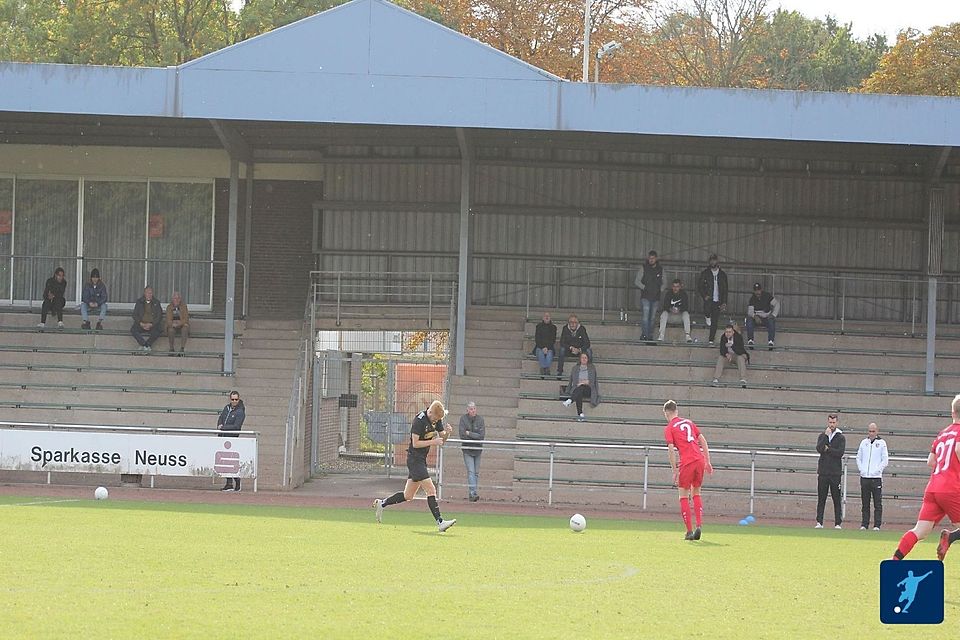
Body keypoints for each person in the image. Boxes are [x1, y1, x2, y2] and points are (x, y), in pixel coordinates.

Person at [892, 394, 960, 561]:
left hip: (934, 487)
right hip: (952, 487)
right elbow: (958, 450)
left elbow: (931, 461)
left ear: (952, 412)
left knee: (920, 530)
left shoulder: (942, 433)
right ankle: (950, 538)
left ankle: (894, 561)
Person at [374, 400, 457, 532]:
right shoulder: (419, 421)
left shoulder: (436, 419)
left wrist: (447, 433)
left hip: (421, 460)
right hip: (414, 460)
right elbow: (416, 444)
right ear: (430, 412)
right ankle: (440, 522)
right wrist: (433, 441)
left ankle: (382, 503)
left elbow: (442, 440)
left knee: (408, 495)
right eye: (435, 418)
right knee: (431, 490)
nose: (436, 421)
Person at [663, 399, 713, 541]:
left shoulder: (669, 428)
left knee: (683, 495)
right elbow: (703, 440)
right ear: (677, 411)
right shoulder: (689, 422)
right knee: (696, 492)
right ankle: (699, 526)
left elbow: (671, 449)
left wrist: (674, 470)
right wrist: (707, 461)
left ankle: (689, 531)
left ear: (666, 414)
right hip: (699, 459)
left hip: (687, 462)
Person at [815, 413, 846, 529]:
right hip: (823, 472)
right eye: (830, 422)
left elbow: (839, 453)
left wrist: (828, 449)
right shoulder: (822, 436)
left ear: (837, 423)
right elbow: (819, 448)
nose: (832, 425)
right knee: (821, 498)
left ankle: (838, 523)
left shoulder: (841, 437)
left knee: (836, 498)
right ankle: (819, 522)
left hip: (835, 473)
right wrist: (825, 437)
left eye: (833, 422)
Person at [856, 422, 888, 530]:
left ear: (877, 431)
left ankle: (877, 525)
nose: (871, 433)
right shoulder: (863, 443)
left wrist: (877, 471)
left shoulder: (882, 443)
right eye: (870, 431)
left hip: (876, 478)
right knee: (865, 503)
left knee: (877, 503)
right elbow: (858, 458)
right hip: (865, 477)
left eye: (873, 431)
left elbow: (885, 460)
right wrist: (862, 470)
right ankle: (864, 524)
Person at [217, 390, 246, 492]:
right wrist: (219, 425)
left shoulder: (240, 412)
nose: (234, 401)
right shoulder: (227, 408)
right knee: (224, 461)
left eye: (236, 399)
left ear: (238, 399)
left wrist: (223, 427)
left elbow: (237, 426)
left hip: (232, 439)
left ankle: (236, 481)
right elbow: (221, 417)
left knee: (230, 462)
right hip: (223, 438)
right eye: (232, 399)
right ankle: (229, 483)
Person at [697, 254, 728, 345]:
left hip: (718, 300)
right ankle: (707, 317)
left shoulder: (722, 275)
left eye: (714, 260)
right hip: (709, 298)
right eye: (711, 260)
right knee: (706, 311)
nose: (713, 262)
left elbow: (725, 290)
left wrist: (724, 302)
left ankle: (711, 340)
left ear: (717, 261)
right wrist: (704, 295)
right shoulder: (705, 273)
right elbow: (700, 286)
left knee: (715, 321)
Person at [458, 401, 486, 502]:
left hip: (478, 449)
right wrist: (474, 436)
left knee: (476, 472)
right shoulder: (463, 419)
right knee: (471, 471)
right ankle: (473, 493)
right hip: (467, 449)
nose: (472, 410)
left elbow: (481, 436)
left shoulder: (480, 419)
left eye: (474, 408)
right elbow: (462, 435)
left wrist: (469, 433)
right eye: (471, 409)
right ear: (467, 410)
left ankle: (473, 492)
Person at [561, 352, 600, 421]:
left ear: (588, 359)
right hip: (578, 389)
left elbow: (591, 382)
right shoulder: (575, 368)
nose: (584, 359)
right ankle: (580, 414)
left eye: (585, 358)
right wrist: (568, 390)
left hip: (589, 389)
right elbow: (571, 380)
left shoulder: (592, 368)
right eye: (582, 357)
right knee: (579, 392)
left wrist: (582, 382)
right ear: (580, 359)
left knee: (581, 387)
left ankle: (570, 400)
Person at [635, 250, 663, 342]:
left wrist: (660, 290)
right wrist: (645, 288)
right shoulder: (643, 268)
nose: (651, 260)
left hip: (656, 297)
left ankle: (649, 335)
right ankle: (645, 334)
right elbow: (637, 281)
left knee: (652, 318)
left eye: (653, 258)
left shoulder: (661, 269)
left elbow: (665, 282)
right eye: (650, 258)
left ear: (656, 258)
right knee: (645, 317)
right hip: (645, 296)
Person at [746, 282, 780, 348]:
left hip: (767, 317)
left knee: (771, 322)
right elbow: (750, 312)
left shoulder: (767, 296)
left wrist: (773, 315)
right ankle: (750, 341)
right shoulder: (752, 299)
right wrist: (755, 317)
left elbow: (777, 304)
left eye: (758, 290)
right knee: (749, 321)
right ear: (754, 291)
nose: (757, 292)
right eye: (756, 291)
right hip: (757, 319)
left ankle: (771, 342)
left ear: (761, 290)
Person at [657, 279, 692, 343]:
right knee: (664, 314)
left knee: (686, 314)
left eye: (677, 286)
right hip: (670, 316)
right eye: (674, 286)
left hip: (680, 317)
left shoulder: (683, 294)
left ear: (680, 287)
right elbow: (665, 306)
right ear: (672, 287)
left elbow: (686, 307)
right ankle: (661, 335)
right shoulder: (668, 293)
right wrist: (671, 309)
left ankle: (687, 335)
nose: (675, 288)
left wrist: (679, 310)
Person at [131, 286, 163, 352]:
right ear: (144, 293)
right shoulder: (139, 302)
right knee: (133, 330)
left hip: (152, 324)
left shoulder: (156, 302)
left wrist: (151, 324)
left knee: (159, 330)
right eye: (147, 293)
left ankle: (146, 345)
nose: (149, 295)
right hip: (141, 323)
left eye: (150, 293)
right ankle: (145, 345)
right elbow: (134, 314)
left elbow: (159, 316)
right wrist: (141, 323)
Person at [533, 311, 557, 377]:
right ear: (543, 318)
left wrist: (547, 348)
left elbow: (553, 340)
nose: (546, 317)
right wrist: (543, 347)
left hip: (550, 347)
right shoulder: (538, 326)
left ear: (550, 318)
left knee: (549, 353)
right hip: (539, 347)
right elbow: (537, 339)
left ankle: (544, 369)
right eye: (545, 316)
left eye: (548, 316)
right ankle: (545, 369)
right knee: (540, 353)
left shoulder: (553, 327)